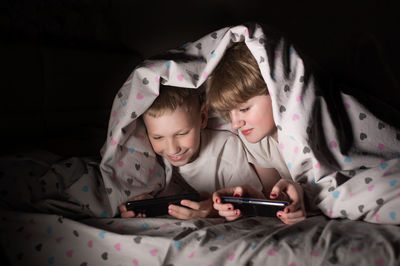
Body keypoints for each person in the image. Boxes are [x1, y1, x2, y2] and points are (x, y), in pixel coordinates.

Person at [119, 85, 267, 220]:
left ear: (202, 118)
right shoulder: (153, 160)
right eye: (158, 137)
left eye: (182, 133)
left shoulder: (226, 149)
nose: (172, 149)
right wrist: (145, 202)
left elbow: (253, 204)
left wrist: (213, 210)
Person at [206, 42, 307, 225]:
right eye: (230, 112)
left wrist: (307, 195)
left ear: (274, 91)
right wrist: (253, 200)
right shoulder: (255, 142)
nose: (235, 124)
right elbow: (276, 198)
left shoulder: (303, 129)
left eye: (244, 108)